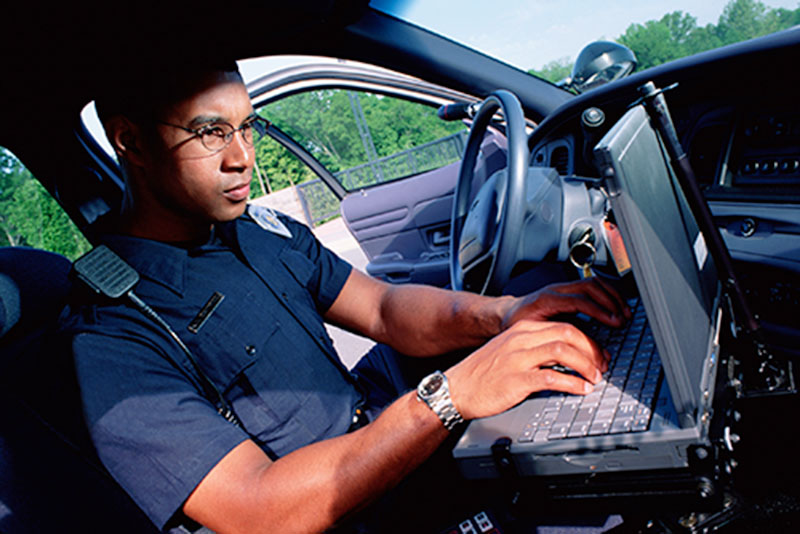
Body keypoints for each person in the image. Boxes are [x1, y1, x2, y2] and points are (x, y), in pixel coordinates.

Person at [60, 61, 630, 533]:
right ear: (130, 140)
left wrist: (502, 315)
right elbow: (259, 510)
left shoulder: (255, 231)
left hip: (390, 438)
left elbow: (382, 307)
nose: (242, 157)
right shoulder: (113, 333)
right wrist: (451, 395)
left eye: (247, 126)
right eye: (210, 132)